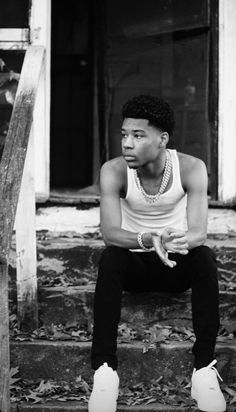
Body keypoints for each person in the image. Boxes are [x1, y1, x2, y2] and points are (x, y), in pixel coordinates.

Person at [88, 95, 226, 412]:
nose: (127, 143)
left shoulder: (191, 168)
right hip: (135, 264)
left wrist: (175, 242)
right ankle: (105, 371)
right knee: (111, 258)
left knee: (204, 256)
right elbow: (109, 234)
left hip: (175, 263)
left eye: (138, 135)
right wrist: (151, 239)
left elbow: (198, 232)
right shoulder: (114, 171)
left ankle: (204, 368)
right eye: (124, 134)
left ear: (162, 139)